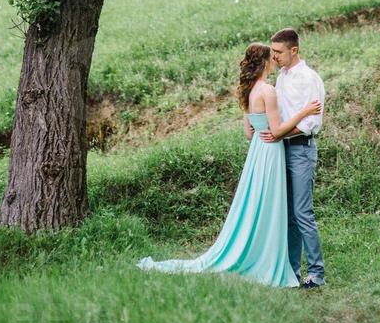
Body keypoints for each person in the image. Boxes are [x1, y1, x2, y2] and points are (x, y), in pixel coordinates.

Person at [136, 42, 321, 288]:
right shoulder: (268, 91)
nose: (275, 59)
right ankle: (273, 259)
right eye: (272, 56)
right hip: (272, 152)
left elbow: (249, 132)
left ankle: (275, 257)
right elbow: (276, 131)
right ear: (265, 61)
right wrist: (304, 111)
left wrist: (263, 130)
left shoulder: (248, 92)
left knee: (261, 203)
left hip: (257, 151)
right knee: (272, 206)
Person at [258, 27, 326, 289]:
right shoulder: (282, 77)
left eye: (278, 52)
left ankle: (317, 274)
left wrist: (280, 135)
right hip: (281, 149)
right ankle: (292, 271)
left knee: (302, 212)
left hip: (301, 150)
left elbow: (312, 122)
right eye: (272, 51)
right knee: (288, 214)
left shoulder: (309, 78)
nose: (274, 57)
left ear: (294, 50)